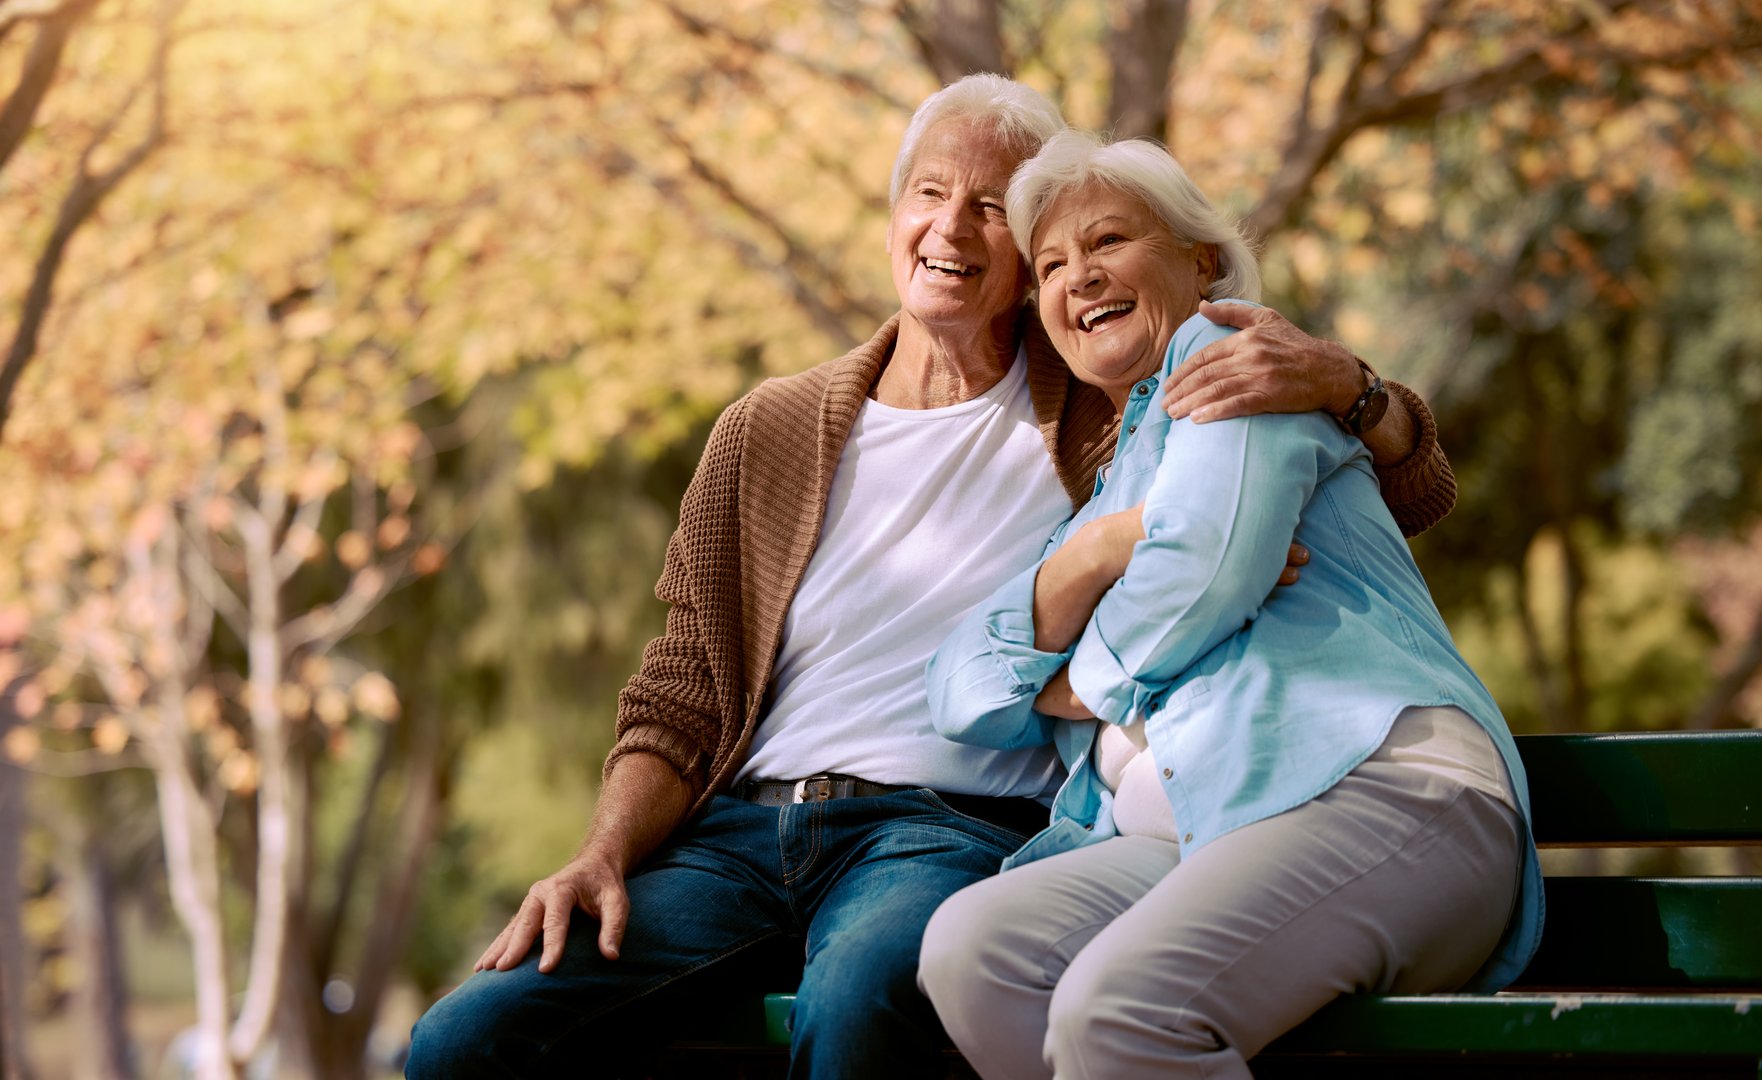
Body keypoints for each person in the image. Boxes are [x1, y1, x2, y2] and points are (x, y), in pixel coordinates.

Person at [404, 77, 1459, 1079]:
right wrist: (598, 855)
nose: (951, 230)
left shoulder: (1102, 402)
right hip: (735, 839)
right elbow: (680, 690)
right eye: (929, 193)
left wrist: (1355, 387)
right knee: (467, 1043)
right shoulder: (766, 431)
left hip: (945, 829)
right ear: (892, 215)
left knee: (864, 1004)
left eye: (992, 209)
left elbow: (1407, 491)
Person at [916, 129, 1543, 1080]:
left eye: (1109, 242)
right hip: (1217, 827)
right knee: (974, 955)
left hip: (1380, 788)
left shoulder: (1239, 358)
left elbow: (1208, 570)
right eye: (1050, 264)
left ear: (1201, 261)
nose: (1078, 277)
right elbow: (960, 688)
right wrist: (1099, 550)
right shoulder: (1106, 484)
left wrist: (1077, 683)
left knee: (1118, 1013)